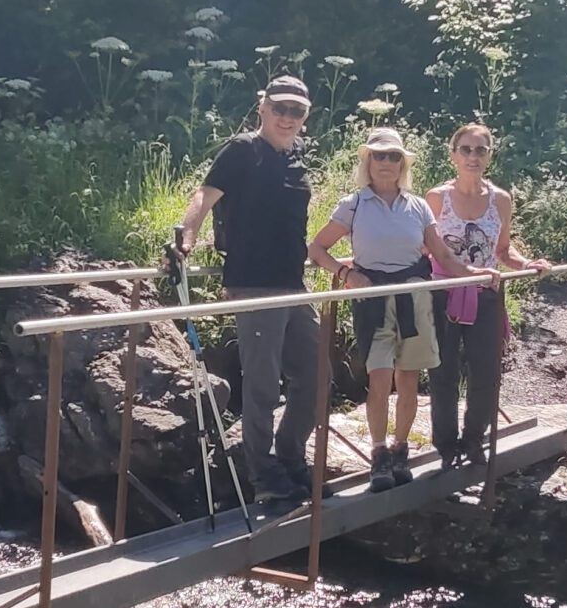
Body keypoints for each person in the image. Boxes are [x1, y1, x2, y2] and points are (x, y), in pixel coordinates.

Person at [174, 74, 319, 502]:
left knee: (314, 377)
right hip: (254, 283)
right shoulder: (242, 150)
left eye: (296, 111)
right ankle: (263, 475)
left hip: (294, 284)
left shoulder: (296, 157)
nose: (287, 118)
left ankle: (290, 456)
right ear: (263, 108)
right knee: (262, 385)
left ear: (305, 116)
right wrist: (186, 236)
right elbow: (205, 195)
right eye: (280, 109)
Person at [307, 126, 475, 490]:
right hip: (372, 299)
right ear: (368, 161)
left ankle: (401, 449)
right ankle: (379, 453)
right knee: (379, 377)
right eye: (379, 155)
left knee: (409, 378)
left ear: (403, 164)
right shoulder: (353, 205)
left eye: (393, 156)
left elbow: (441, 253)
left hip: (414, 297)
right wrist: (346, 273)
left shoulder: (417, 207)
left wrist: (475, 275)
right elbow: (317, 249)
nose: (386, 162)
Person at [425, 121, 543, 468]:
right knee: (443, 372)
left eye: (481, 150)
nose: (473, 157)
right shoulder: (437, 198)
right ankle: (446, 446)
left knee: (487, 372)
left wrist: (527, 263)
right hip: (444, 293)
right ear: (453, 155)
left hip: (486, 294)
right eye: (466, 149)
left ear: (490, 156)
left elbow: (503, 250)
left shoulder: (500, 200)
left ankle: (474, 439)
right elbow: (424, 248)